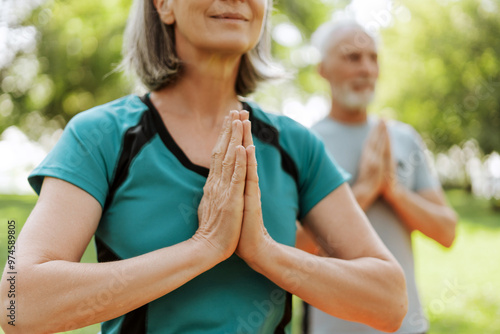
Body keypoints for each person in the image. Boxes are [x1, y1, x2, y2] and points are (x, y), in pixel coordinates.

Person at [0, 2, 408, 333]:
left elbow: (390, 302)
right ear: (163, 5)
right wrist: (205, 247)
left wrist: (265, 252)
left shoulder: (296, 145)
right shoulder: (102, 135)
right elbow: (17, 304)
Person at [300, 19, 458, 334]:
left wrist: (395, 192)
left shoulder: (404, 139)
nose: (366, 69)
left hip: (405, 325)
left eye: (373, 58)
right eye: (352, 57)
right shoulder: (303, 143)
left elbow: (446, 232)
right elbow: (290, 246)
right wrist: (363, 191)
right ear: (322, 69)